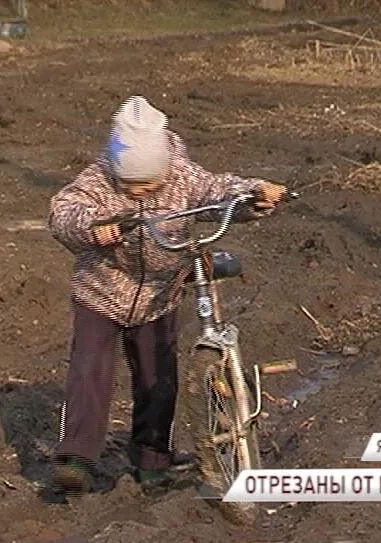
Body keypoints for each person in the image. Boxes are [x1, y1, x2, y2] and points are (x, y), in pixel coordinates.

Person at [46, 95, 286, 495]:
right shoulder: (97, 179)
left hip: (159, 295)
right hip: (101, 291)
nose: (140, 192)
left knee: (159, 381)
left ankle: (152, 459)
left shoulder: (182, 176)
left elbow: (216, 189)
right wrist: (93, 227)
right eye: (130, 186)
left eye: (149, 184)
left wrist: (254, 192)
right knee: (88, 370)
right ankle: (76, 457)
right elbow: (63, 212)